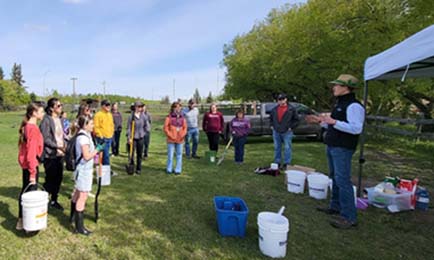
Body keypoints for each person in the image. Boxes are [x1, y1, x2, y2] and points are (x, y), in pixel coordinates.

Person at [308, 74, 365, 229]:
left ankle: (349, 217)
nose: (334, 87)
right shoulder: (340, 103)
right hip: (333, 145)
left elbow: (356, 128)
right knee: (334, 177)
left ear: (346, 88)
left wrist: (333, 121)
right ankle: (335, 207)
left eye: (337, 85)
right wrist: (321, 121)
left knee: (343, 180)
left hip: (343, 147)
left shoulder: (354, 106)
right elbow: (334, 125)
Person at [70, 116, 104, 235]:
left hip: (84, 169)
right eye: (91, 124)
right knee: (82, 197)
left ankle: (72, 218)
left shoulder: (85, 135)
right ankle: (80, 228)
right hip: (83, 171)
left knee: (77, 193)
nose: (93, 125)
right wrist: (97, 150)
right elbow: (86, 156)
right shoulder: (83, 138)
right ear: (85, 125)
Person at [16, 102, 45, 230]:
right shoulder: (32, 129)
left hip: (28, 165)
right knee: (29, 194)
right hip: (31, 166)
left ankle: (22, 220)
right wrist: (33, 173)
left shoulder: (29, 127)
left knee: (25, 192)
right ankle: (26, 222)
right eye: (41, 111)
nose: (43, 114)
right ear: (34, 113)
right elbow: (31, 153)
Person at [40, 98, 66, 210]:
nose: (61, 107)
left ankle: (54, 200)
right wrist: (57, 146)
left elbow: (61, 136)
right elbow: (45, 138)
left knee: (59, 178)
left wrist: (65, 143)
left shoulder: (59, 119)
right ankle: (44, 198)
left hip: (60, 154)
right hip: (50, 155)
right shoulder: (46, 120)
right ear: (51, 108)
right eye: (59, 106)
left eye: (61, 105)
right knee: (50, 178)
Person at [269, 94, 299, 170]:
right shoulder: (274, 109)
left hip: (287, 132)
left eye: (282, 99)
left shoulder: (291, 109)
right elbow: (271, 119)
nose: (281, 101)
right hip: (276, 131)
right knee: (277, 147)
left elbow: (296, 120)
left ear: (286, 99)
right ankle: (277, 162)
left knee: (287, 147)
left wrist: (291, 127)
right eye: (279, 99)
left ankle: (286, 163)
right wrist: (272, 125)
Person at [163, 102, 187, 175]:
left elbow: (185, 128)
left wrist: (182, 135)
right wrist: (171, 135)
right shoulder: (168, 117)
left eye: (179, 107)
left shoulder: (183, 118)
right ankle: (169, 169)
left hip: (180, 140)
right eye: (176, 107)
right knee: (170, 155)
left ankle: (178, 169)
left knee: (179, 155)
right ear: (173, 108)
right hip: (171, 140)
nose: (178, 108)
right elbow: (165, 128)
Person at [126, 101, 149, 175]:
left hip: (140, 138)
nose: (140, 108)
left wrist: (144, 133)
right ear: (135, 107)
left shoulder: (144, 116)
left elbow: (147, 127)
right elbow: (128, 128)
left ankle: (138, 169)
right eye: (139, 107)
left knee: (139, 154)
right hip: (133, 138)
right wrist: (129, 137)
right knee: (131, 154)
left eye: (141, 107)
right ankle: (131, 167)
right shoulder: (131, 117)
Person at [93, 100, 115, 175]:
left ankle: (104, 170)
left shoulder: (110, 114)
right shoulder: (98, 115)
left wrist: (111, 134)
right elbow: (96, 127)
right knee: (105, 155)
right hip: (102, 138)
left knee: (106, 155)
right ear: (102, 106)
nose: (108, 106)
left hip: (109, 137)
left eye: (109, 105)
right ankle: (108, 171)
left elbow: (112, 125)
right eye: (107, 105)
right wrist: (100, 135)